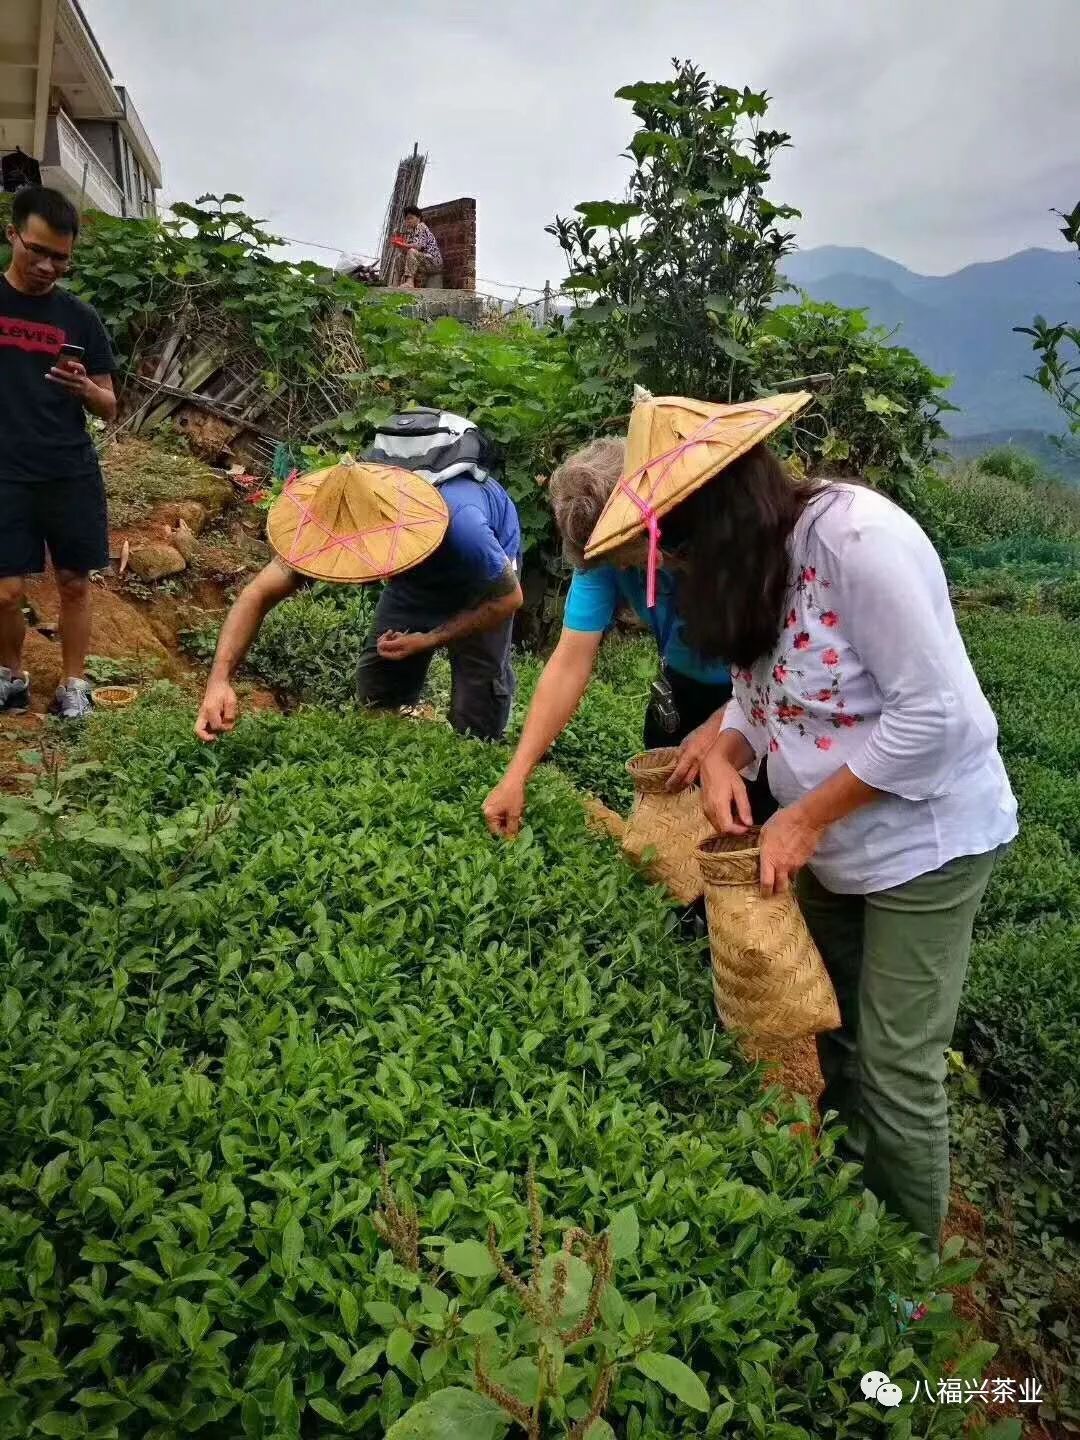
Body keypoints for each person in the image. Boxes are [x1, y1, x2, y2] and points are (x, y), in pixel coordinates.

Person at [574, 390, 1019, 1251]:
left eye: (681, 541)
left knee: (897, 1069)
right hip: (835, 846)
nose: (682, 567)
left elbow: (941, 719)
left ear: (724, 508)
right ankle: (857, 1210)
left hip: (927, 842)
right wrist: (728, 756)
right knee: (842, 1037)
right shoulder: (755, 566)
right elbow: (759, 695)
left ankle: (908, 1282)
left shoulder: (858, 541)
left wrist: (804, 819)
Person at [482, 434, 774, 840]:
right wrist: (517, 774)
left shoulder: (725, 539)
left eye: (627, 557)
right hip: (681, 689)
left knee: (745, 839)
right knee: (669, 843)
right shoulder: (603, 557)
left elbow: (788, 664)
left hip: (762, 699)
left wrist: (723, 726)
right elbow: (570, 662)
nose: (622, 569)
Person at [194, 442, 522, 744]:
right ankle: (390, 756)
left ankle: (478, 760)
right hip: (416, 570)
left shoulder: (465, 526)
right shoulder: (328, 524)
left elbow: (509, 599)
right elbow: (257, 595)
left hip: (484, 577)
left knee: (478, 701)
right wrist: (219, 681)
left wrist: (431, 638)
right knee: (379, 682)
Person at [0, 186, 117, 718]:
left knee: (73, 583)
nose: (48, 266)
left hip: (68, 469)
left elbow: (110, 404)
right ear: (12, 234)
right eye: (37, 251)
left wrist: (86, 391)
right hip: (5, 471)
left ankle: (74, 683)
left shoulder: (79, 318)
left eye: (60, 258)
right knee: (4, 591)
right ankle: (11, 677)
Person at [398, 206, 442, 289]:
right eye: (407, 219)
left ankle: (409, 282)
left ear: (418, 218)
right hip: (424, 260)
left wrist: (403, 245)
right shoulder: (412, 232)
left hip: (433, 262)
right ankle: (400, 282)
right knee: (399, 257)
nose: (408, 221)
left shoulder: (420, 226)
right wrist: (401, 245)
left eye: (410, 218)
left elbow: (419, 246)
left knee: (411, 252)